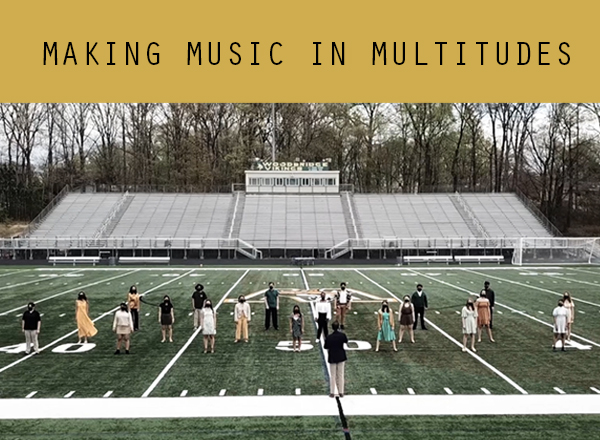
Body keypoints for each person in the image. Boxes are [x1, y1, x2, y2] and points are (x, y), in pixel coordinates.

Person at [324, 321, 348, 398]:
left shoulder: (329, 337)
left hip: (332, 357)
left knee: (333, 375)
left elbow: (326, 346)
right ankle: (341, 392)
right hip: (341, 356)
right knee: (341, 374)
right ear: (338, 327)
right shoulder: (342, 335)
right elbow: (346, 341)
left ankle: (332, 392)